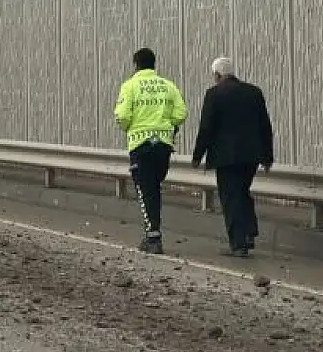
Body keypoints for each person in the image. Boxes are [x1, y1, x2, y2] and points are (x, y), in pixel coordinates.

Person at [192, 57, 274, 258]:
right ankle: (249, 233)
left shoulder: (214, 94)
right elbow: (265, 125)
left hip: (226, 157)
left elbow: (207, 128)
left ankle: (239, 243)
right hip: (252, 155)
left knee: (231, 197)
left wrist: (197, 155)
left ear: (217, 75)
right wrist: (268, 156)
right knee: (242, 191)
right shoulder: (254, 92)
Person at [114, 47, 187, 255]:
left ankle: (153, 237)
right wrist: (166, 125)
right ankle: (153, 232)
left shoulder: (130, 86)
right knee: (154, 188)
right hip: (163, 144)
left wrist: (130, 127)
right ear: (154, 64)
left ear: (136, 65)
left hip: (140, 144)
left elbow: (122, 116)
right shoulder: (168, 85)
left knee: (145, 190)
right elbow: (181, 113)